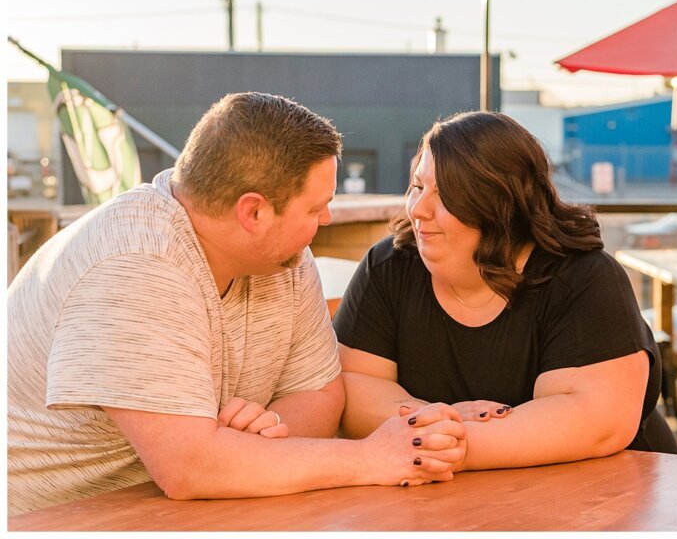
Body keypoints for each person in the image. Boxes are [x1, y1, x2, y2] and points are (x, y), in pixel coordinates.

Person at [7, 92, 465, 516]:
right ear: (254, 212)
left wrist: (258, 440)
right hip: (58, 519)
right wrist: (371, 458)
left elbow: (321, 394)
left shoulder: (283, 258)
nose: (326, 220)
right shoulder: (136, 263)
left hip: (190, 507)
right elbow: (190, 469)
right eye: (314, 209)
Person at [335, 111, 677, 473]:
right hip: (446, 506)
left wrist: (442, 441)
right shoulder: (389, 266)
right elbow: (355, 386)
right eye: (419, 187)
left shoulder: (584, 279)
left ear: (498, 203)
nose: (418, 209)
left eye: (444, 194)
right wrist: (435, 421)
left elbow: (591, 422)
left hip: (601, 502)